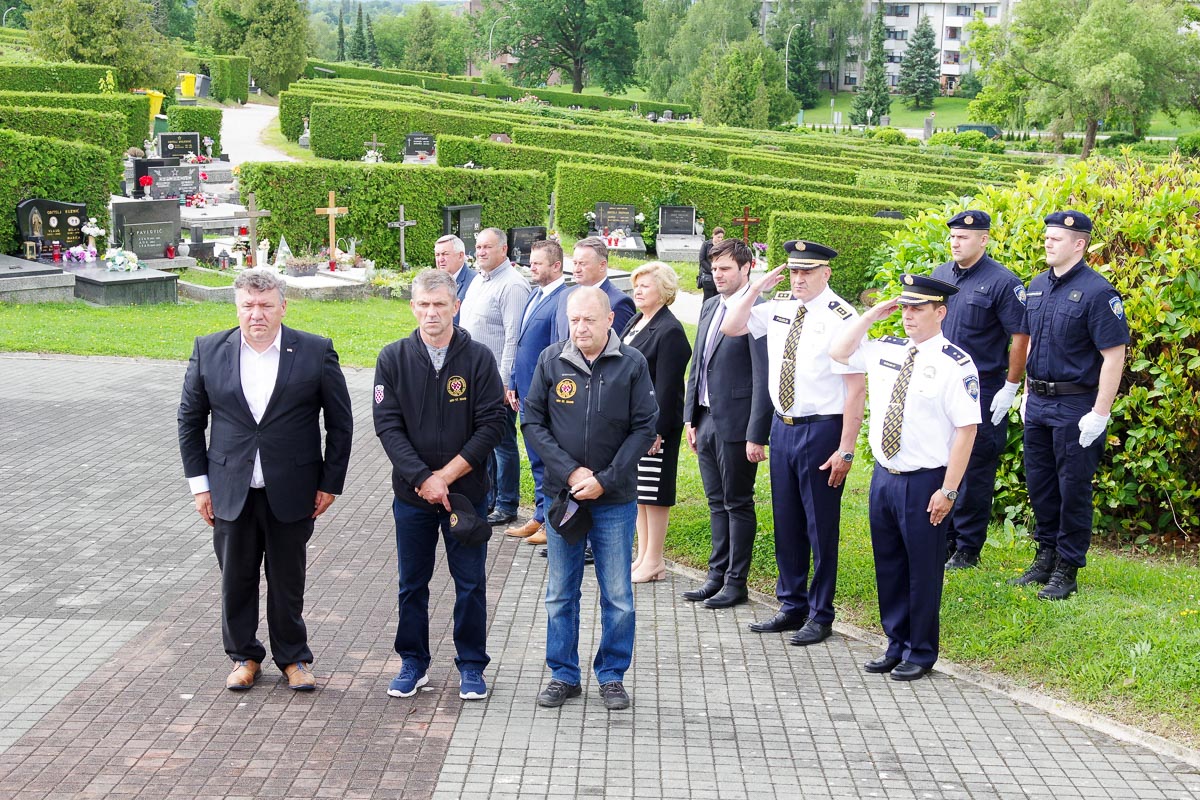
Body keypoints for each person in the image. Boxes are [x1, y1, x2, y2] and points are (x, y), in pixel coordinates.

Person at [178, 268, 353, 692]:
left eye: (265, 305)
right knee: (235, 580)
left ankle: (294, 658)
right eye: (248, 305)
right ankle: (244, 656)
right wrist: (200, 486)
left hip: (293, 489)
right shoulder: (208, 350)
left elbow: (340, 422)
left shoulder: (315, 351)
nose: (256, 314)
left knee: (288, 581)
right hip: (229, 488)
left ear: (283, 307)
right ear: (237, 307)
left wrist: (330, 483)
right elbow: (189, 420)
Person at [830, 274, 979, 681]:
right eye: (905, 307)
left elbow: (966, 431)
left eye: (918, 308)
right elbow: (839, 351)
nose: (909, 315)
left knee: (923, 569)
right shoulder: (886, 349)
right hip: (885, 477)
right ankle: (895, 642)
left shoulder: (955, 364)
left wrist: (949, 490)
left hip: (926, 480)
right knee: (890, 564)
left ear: (940, 312)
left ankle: (921, 650)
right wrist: (872, 315)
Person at [721, 241, 865, 645]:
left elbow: (855, 389)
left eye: (807, 272)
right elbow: (731, 326)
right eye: (794, 271)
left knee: (819, 525)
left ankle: (820, 613)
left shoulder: (842, 316)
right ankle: (791, 603)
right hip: (783, 426)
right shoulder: (781, 306)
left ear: (826, 273)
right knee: (786, 520)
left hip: (822, 428)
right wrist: (755, 288)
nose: (799, 279)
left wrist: (846, 447)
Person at [373, 269, 507, 700]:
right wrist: (422, 478)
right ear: (413, 307)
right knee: (412, 583)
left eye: (440, 305)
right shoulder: (392, 358)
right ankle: (413, 662)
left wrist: (445, 477)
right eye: (424, 305)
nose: (432, 313)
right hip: (411, 495)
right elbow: (387, 426)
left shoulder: (479, 359)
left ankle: (472, 665)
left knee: (470, 583)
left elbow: (492, 424)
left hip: (465, 495)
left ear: (456, 306)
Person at [522, 287, 658, 710]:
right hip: (563, 498)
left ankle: (612, 675)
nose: (579, 328)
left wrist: (605, 479)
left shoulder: (632, 364)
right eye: (574, 320)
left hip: (614, 501)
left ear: (609, 320)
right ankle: (563, 674)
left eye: (589, 320)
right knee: (560, 593)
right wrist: (571, 472)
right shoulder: (551, 360)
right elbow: (532, 421)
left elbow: (644, 427)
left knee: (617, 595)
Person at [1012, 211, 1128, 600]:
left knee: (1072, 488)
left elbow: (1114, 356)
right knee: (1040, 484)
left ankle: (1067, 567)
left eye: (1056, 238)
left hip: (1076, 404)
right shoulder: (1037, 286)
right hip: (1039, 402)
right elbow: (1031, 342)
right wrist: (1025, 392)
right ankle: (1045, 557)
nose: (1047, 242)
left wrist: (1100, 413)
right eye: (1047, 236)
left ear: (1079, 244)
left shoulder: (1098, 292)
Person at [931, 211, 1029, 569]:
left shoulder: (1003, 282)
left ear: (983, 240)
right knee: (940, 460)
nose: (956, 243)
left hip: (981, 387)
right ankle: (943, 538)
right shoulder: (940, 276)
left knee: (975, 469)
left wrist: (1011, 386)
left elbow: (1021, 337)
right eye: (953, 237)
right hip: (940, 383)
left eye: (964, 237)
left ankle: (967, 547)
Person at [680, 238, 772, 609]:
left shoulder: (758, 311)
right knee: (716, 502)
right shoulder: (710, 305)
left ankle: (736, 582)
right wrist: (690, 416)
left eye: (726, 269)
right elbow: (698, 365)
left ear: (747, 268)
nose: (717, 275)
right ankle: (715, 576)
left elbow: (762, 376)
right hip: (705, 419)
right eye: (714, 268)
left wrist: (756, 433)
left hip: (737, 424)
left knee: (737, 502)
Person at [621, 262, 692, 583]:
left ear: (663, 292)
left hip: (656, 426)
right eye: (636, 285)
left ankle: (655, 560)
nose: (637, 291)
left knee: (655, 492)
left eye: (645, 286)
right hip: (633, 423)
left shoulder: (670, 330)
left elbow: (667, 386)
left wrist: (656, 430)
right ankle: (643, 556)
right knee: (639, 492)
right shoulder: (637, 320)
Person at [458, 227, 530, 526]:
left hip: (496, 381)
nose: (481, 252)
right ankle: (488, 497)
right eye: (478, 247)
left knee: (502, 442)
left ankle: (507, 503)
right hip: (473, 378)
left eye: (487, 247)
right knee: (482, 440)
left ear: (503, 250)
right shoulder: (479, 280)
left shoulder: (512, 285)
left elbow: (514, 337)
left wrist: (504, 381)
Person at [505, 239, 572, 546]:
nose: (530, 267)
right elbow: (521, 343)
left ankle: (551, 520)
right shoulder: (535, 293)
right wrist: (514, 382)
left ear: (556, 266)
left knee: (547, 459)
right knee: (534, 458)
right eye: (530, 262)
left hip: (545, 394)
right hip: (525, 390)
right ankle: (539, 514)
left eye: (537, 263)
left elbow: (557, 349)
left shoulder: (562, 299)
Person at [565, 237, 636, 334]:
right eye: (575, 263)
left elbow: (618, 341)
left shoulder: (618, 303)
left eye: (582, 264)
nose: (576, 269)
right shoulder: (565, 296)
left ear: (602, 265)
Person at [434, 234, 476, 323]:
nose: (440, 259)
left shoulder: (474, 282)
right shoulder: (435, 281)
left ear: (460, 256)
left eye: (445, 254)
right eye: (437, 255)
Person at [697, 227, 725, 302]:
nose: (720, 239)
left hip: (719, 275)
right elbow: (702, 259)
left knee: (718, 298)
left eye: (721, 237)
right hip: (708, 276)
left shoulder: (723, 246)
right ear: (713, 235)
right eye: (718, 237)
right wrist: (712, 270)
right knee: (708, 299)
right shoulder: (706, 244)